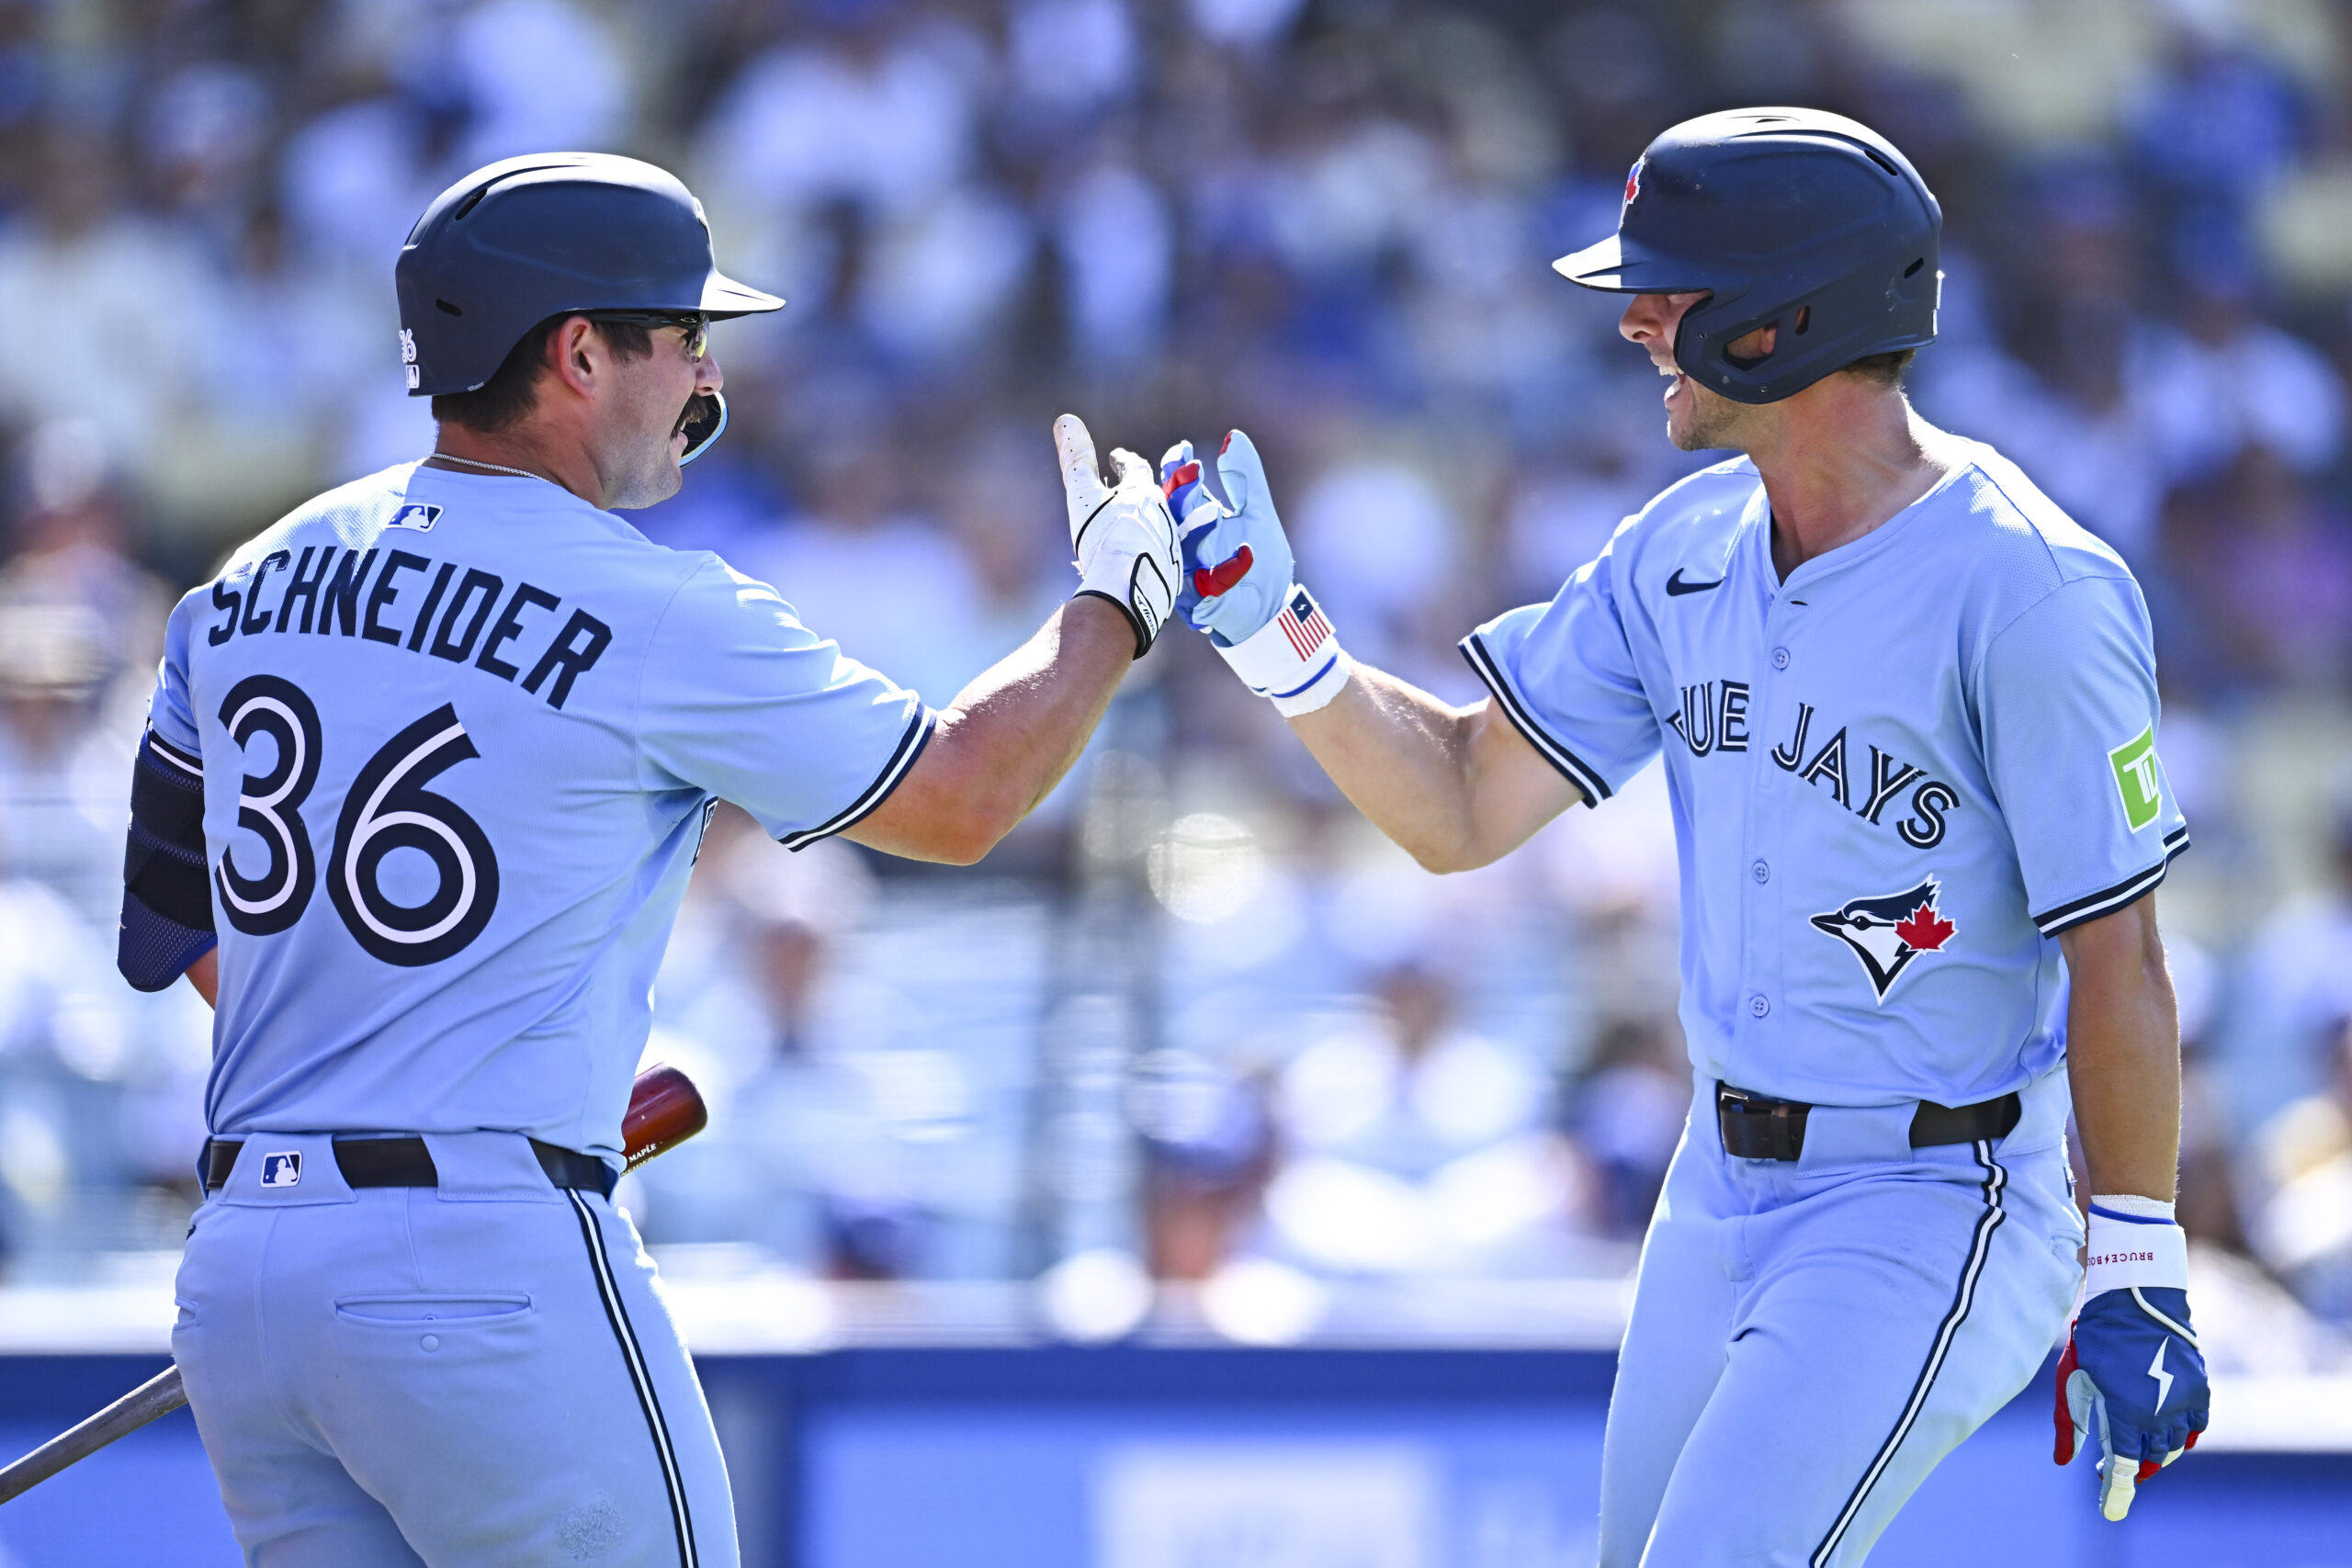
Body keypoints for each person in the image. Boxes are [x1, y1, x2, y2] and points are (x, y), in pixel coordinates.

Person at [1161, 108, 2209, 1562]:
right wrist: (1280, 640)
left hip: (1930, 1189)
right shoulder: (1684, 545)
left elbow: (2121, 954)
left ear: (1789, 316)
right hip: (1713, 1186)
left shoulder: (2028, 587)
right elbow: (1463, 805)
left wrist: (2135, 1257)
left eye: (1673, 290)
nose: (1641, 322)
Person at [115, 152, 1177, 1568]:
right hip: (485, 1273)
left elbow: (173, 927)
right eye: (684, 337)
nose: (702, 376)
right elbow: (963, 800)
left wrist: (376, 1107)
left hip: (246, 1267)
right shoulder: (654, 602)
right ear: (576, 353)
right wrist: (1112, 610)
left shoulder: (242, 584)